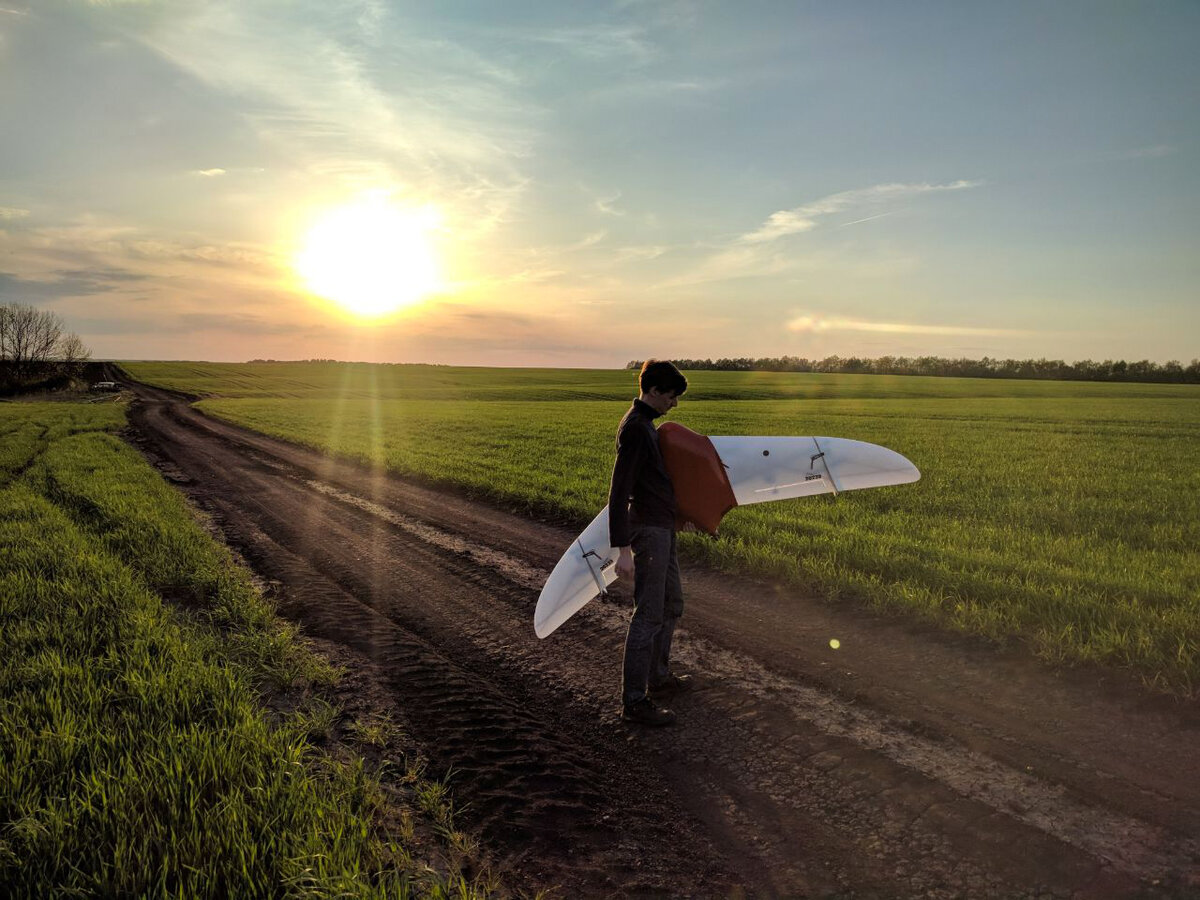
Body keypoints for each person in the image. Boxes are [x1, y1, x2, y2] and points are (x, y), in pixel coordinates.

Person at [608, 359, 693, 726]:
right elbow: (620, 491)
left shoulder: (647, 426)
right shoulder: (636, 430)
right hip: (648, 533)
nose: (674, 404)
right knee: (648, 614)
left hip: (664, 527)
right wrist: (622, 550)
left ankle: (658, 677)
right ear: (655, 391)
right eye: (671, 396)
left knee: (672, 603)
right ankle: (634, 702)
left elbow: (655, 482)